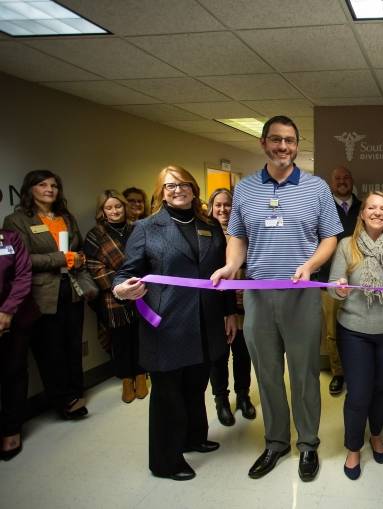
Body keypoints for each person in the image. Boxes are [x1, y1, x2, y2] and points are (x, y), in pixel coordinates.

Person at [211, 115, 342, 482]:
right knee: (267, 373)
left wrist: (310, 264)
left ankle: (309, 445)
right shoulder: (246, 189)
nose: (283, 146)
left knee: (303, 375)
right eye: (275, 140)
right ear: (263, 143)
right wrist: (231, 265)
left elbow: (330, 236)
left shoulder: (316, 188)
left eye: (289, 140)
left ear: (297, 145)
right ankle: (276, 442)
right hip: (257, 295)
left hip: (301, 295)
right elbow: (237, 235)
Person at [113, 166, 236, 481]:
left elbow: (222, 275)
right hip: (166, 326)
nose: (177, 190)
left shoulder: (209, 226)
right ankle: (165, 461)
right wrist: (122, 289)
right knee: (169, 396)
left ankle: (193, 437)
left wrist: (228, 312)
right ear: (160, 191)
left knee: (195, 387)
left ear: (194, 189)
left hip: (205, 324)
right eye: (170, 186)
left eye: (183, 185)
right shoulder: (146, 228)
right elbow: (126, 273)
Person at [328, 191, 383, 480]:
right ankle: (354, 448)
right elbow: (332, 286)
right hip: (354, 331)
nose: (378, 212)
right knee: (360, 392)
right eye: (372, 208)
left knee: (381, 389)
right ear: (362, 213)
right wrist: (338, 287)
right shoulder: (346, 245)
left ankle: (376, 435)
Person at [3, 170, 93, 420]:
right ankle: (64, 400)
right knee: (51, 349)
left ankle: (77, 391)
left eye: (54, 185)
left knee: (73, 345)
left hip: (72, 288)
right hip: (42, 293)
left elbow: (78, 248)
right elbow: (21, 260)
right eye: (42, 185)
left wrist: (79, 258)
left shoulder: (66, 217)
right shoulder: (17, 220)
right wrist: (60, 259)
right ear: (29, 189)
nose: (49, 189)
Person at [84, 190, 146, 404]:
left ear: (124, 206)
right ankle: (127, 380)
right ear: (102, 211)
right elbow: (93, 265)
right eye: (108, 208)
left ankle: (141, 375)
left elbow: (149, 255)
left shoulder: (138, 227)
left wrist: (138, 282)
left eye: (117, 206)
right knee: (120, 340)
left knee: (140, 336)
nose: (114, 211)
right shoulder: (95, 234)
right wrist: (121, 284)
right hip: (114, 295)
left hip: (142, 289)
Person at [206, 188, 256, 425]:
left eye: (227, 205)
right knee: (219, 355)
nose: (223, 209)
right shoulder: (205, 232)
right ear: (211, 207)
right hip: (216, 307)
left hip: (243, 305)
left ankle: (243, 396)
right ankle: (221, 399)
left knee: (242, 353)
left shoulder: (244, 231)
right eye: (218, 205)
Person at [318, 165, 361, 397]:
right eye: (338, 178)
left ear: (352, 181)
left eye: (346, 177)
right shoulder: (322, 207)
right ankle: (338, 373)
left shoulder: (364, 207)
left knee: (358, 328)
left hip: (361, 281)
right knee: (333, 331)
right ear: (331, 183)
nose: (342, 181)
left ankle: (356, 371)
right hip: (330, 279)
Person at [0, 228, 35, 461]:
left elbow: (23, 274)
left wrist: (7, 310)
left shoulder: (10, 238)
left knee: (14, 372)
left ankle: (11, 429)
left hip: (12, 317)